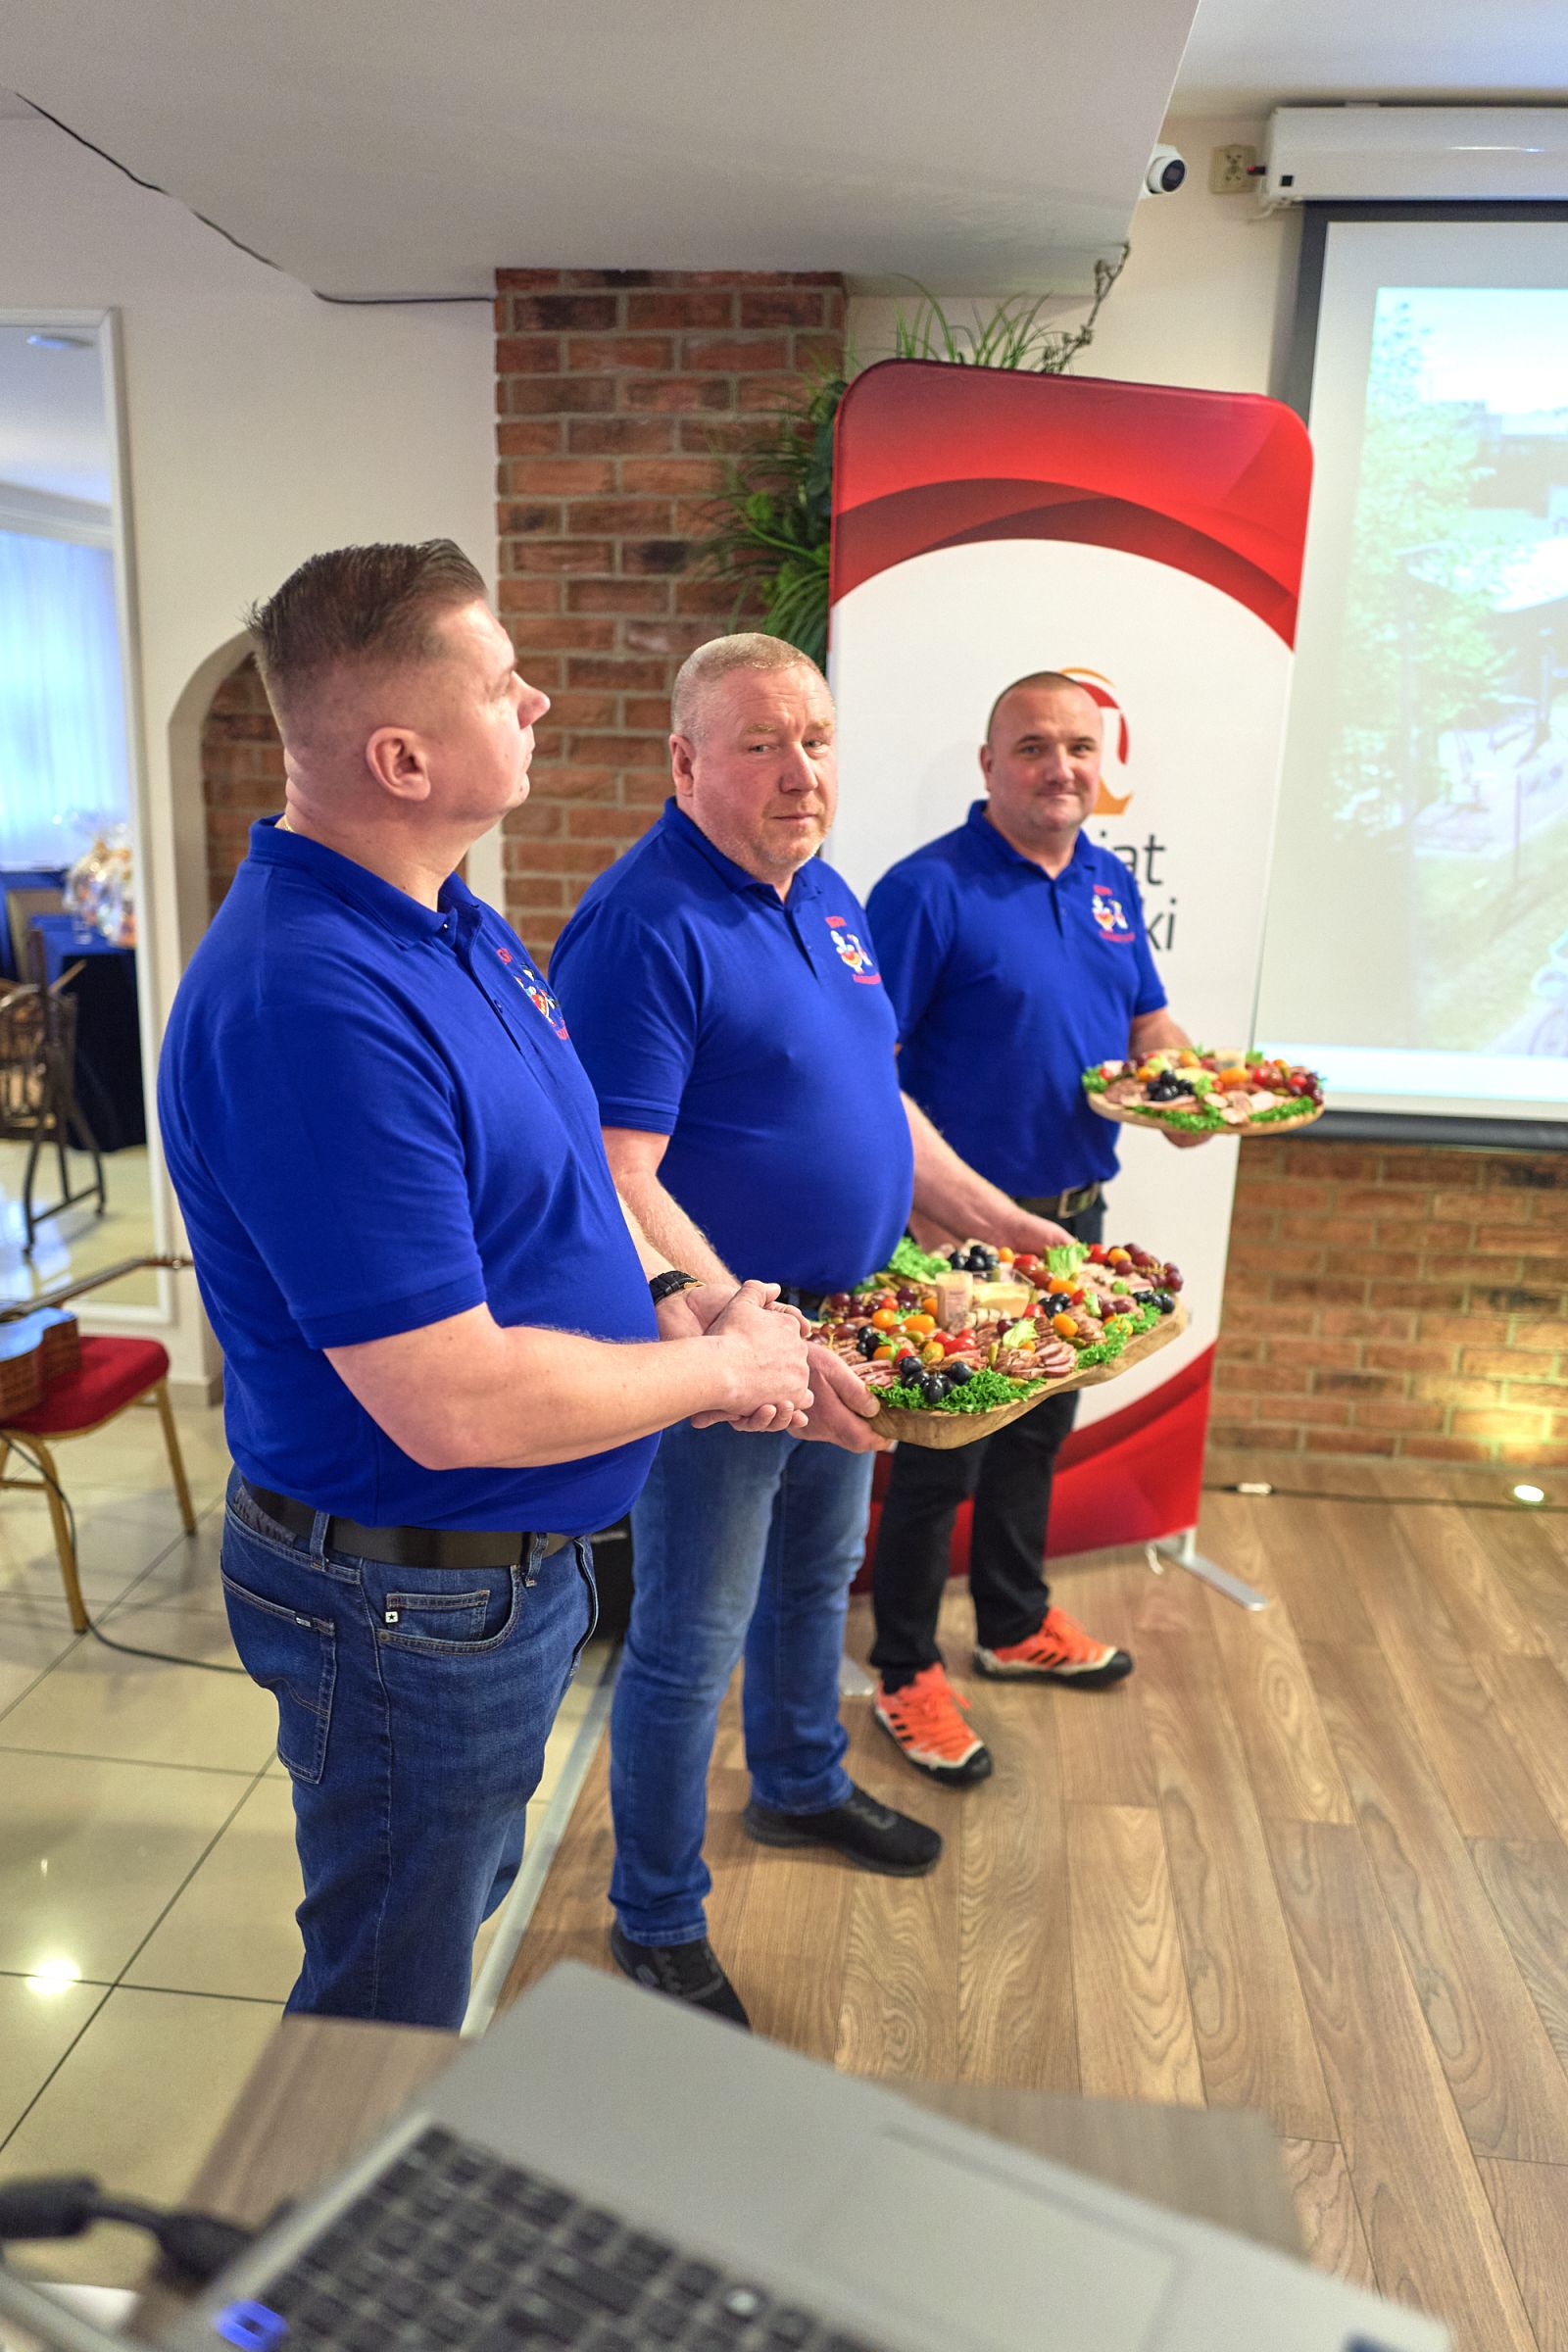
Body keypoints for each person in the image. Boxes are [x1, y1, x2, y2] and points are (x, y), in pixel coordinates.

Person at [157, 544, 810, 2030]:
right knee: (381, 2010)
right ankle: (324, 2198)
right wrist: (725, 1372)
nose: (537, 701)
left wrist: (683, 1297)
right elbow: (448, 1400)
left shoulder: (456, 920)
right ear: (401, 758)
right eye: (503, 683)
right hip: (405, 1595)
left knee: (445, 1925)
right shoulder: (310, 1001)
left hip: (498, 1570)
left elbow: (573, 1182)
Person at [550, 633, 1076, 2029]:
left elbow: (873, 1096)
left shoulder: (828, 894)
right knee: (689, 1636)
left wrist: (991, 1211)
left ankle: (796, 1782)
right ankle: (656, 1912)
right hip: (725, 1354)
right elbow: (612, 1169)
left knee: (812, 1583)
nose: (802, 772)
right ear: (685, 761)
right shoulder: (644, 922)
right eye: (762, 744)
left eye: (818, 740)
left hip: (849, 1333)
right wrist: (741, 1327)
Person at [863, 670, 1202, 1787]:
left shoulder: (1107, 881)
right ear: (988, 764)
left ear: (1102, 765)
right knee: (937, 1463)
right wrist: (922, 1208)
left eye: (1079, 748)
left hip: (1073, 1225)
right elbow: (865, 1069)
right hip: (956, 1241)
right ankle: (905, 1670)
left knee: (1035, 1436)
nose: (1060, 768)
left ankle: (1011, 1625)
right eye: (1033, 747)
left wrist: (1192, 1089)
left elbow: (1148, 1020)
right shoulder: (925, 891)